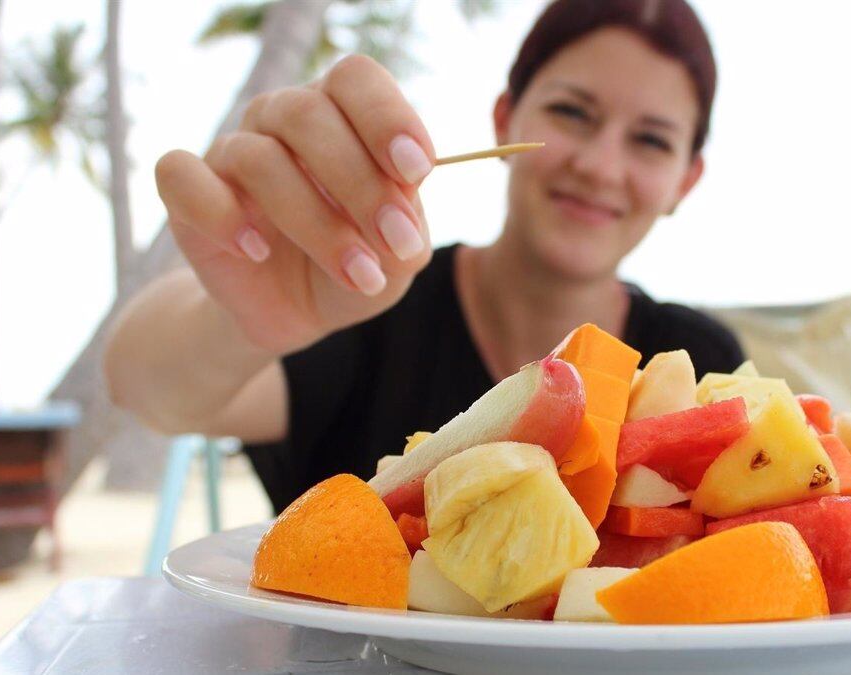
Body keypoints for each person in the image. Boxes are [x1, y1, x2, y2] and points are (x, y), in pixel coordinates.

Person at [105, 0, 743, 514]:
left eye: (651, 141)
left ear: (686, 180)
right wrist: (242, 318)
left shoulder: (702, 366)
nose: (600, 165)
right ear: (505, 119)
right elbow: (143, 390)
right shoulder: (363, 300)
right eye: (572, 113)